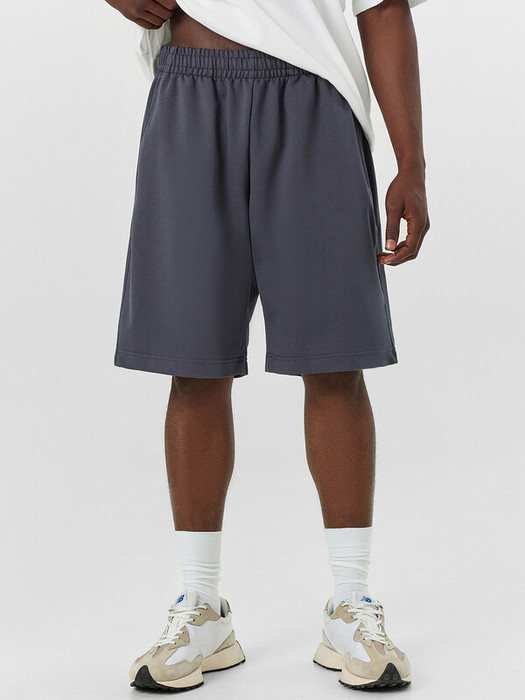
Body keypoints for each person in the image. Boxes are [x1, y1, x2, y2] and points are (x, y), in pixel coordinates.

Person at [106, 0, 430, 691]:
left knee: (334, 361)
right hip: (191, 89)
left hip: (316, 97)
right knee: (194, 364)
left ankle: (350, 604)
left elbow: (381, 8)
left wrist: (412, 162)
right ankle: (202, 607)